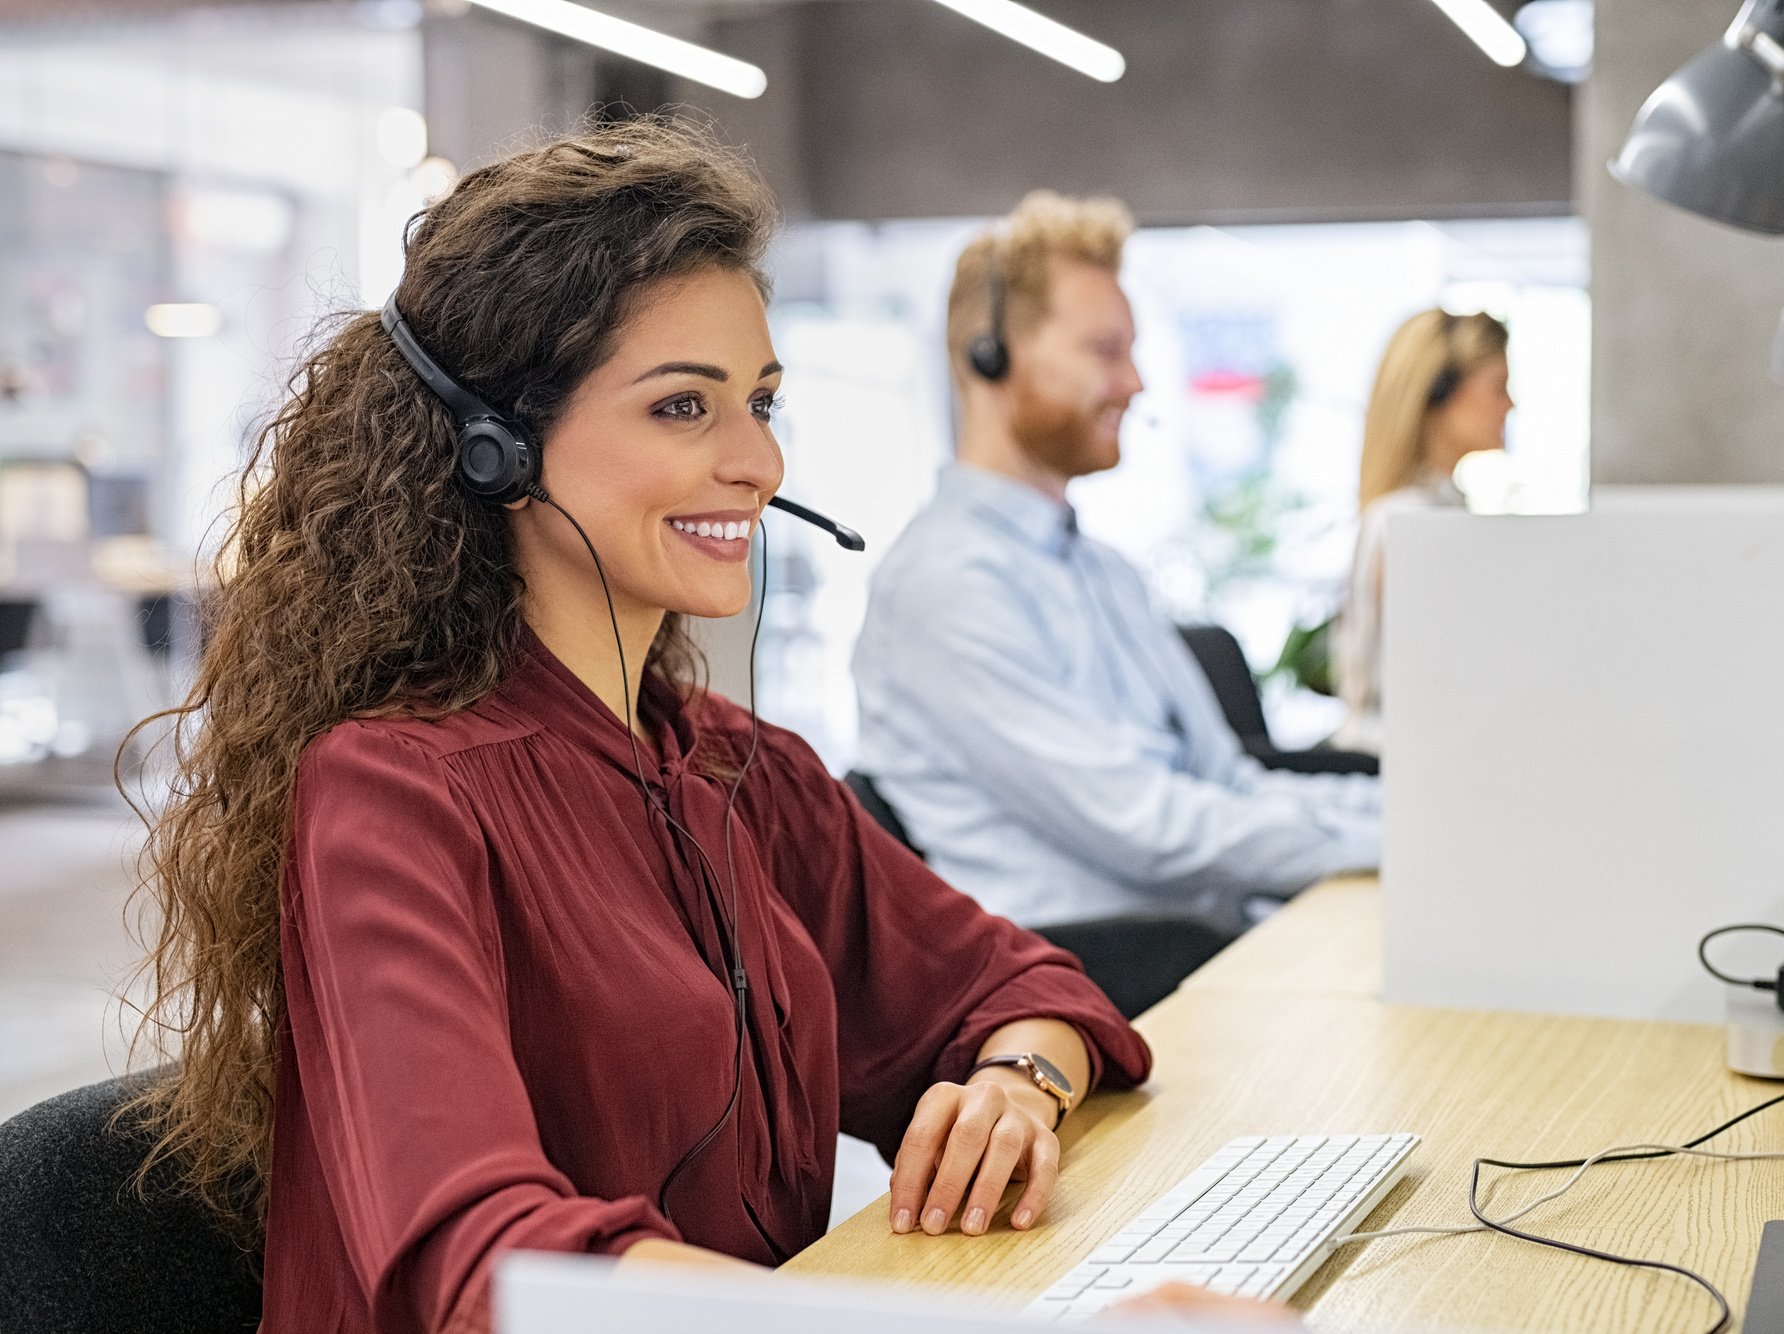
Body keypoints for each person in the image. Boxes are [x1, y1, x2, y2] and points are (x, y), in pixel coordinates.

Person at [116, 121, 1171, 1334]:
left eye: (761, 403)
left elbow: (1023, 983)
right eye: (683, 407)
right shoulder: (390, 794)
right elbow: (489, 1266)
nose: (758, 462)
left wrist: (1014, 1085)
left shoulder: (738, 767)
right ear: (497, 445)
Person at [851, 192, 1381, 962]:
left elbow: (1227, 782)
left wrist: (1412, 817)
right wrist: (1397, 840)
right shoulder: (946, 587)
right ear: (988, 355)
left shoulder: (1104, 573)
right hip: (1096, 980)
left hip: (1211, 946)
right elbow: (1150, 830)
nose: (1134, 383)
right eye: (1104, 351)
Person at [1332, 309, 1511, 756]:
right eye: (1498, 386)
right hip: (1393, 765)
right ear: (1439, 392)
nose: (1510, 404)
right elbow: (1451, 679)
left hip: (1416, 759)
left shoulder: (1431, 513)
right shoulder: (1413, 524)